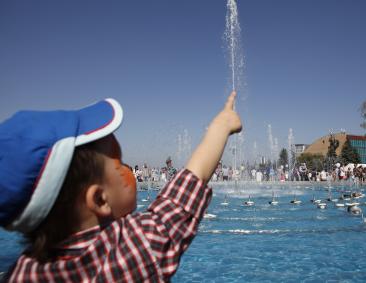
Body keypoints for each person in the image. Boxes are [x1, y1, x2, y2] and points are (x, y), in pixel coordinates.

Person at [0, 92, 242, 282]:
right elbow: (187, 187)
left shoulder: (21, 273)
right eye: (119, 162)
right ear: (100, 200)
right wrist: (221, 126)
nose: (127, 167)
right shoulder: (128, 252)